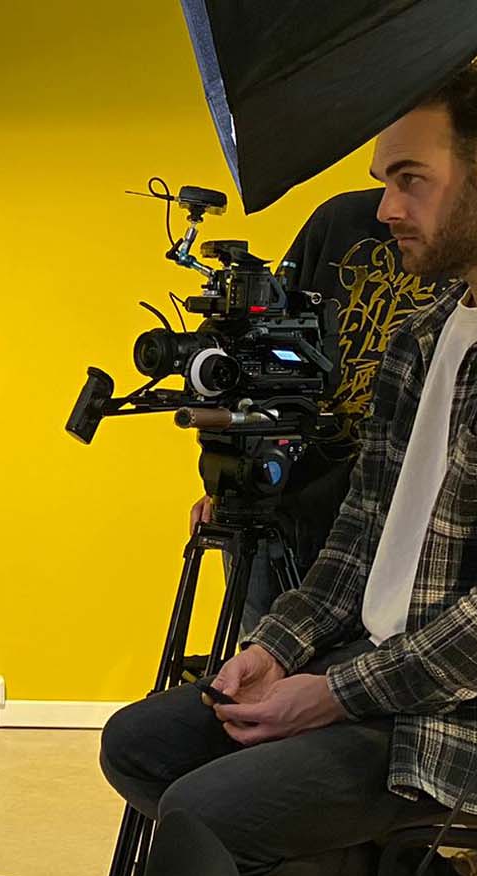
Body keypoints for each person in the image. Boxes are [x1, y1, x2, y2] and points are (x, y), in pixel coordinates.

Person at [102, 59, 477, 876]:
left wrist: (334, 693)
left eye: (410, 179)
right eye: (385, 181)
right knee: (140, 747)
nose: (386, 207)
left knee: (209, 815)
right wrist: (276, 647)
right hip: (385, 665)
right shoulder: (425, 334)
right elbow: (359, 537)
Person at [189, 188, 449, 636]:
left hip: (405, 532)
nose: (392, 205)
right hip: (285, 507)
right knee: (258, 664)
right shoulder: (340, 221)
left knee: (361, 672)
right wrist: (232, 472)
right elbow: (259, 343)